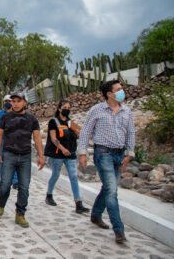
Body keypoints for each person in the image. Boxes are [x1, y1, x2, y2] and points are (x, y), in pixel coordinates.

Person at [77, 80, 135, 244]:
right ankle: (119, 230)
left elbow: (131, 134)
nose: (122, 91)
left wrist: (129, 155)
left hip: (120, 154)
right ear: (109, 94)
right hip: (103, 153)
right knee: (111, 191)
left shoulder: (126, 112)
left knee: (109, 188)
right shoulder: (96, 110)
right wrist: (82, 154)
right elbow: (85, 133)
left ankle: (96, 214)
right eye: (118, 89)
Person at [0, 92, 44, 228]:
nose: (15, 103)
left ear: (24, 103)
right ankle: (1, 202)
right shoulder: (5, 117)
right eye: (13, 101)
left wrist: (41, 156)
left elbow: (37, 137)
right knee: (5, 184)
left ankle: (20, 214)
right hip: (9, 154)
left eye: (18, 101)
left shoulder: (32, 119)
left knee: (24, 187)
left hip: (25, 156)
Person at [44, 100, 90, 214]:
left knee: (73, 176)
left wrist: (77, 134)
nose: (67, 109)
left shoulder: (70, 123)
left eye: (69, 107)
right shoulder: (53, 122)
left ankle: (78, 203)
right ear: (59, 109)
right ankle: (49, 195)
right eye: (65, 107)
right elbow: (53, 138)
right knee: (55, 174)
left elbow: (78, 133)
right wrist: (62, 149)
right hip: (58, 154)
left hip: (71, 154)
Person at [0, 95, 19, 189]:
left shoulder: (17, 113)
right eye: (6, 101)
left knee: (15, 160)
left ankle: (15, 181)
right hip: (2, 140)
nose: (8, 103)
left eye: (9, 101)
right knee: (2, 159)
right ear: (3, 102)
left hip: (14, 140)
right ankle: (3, 179)